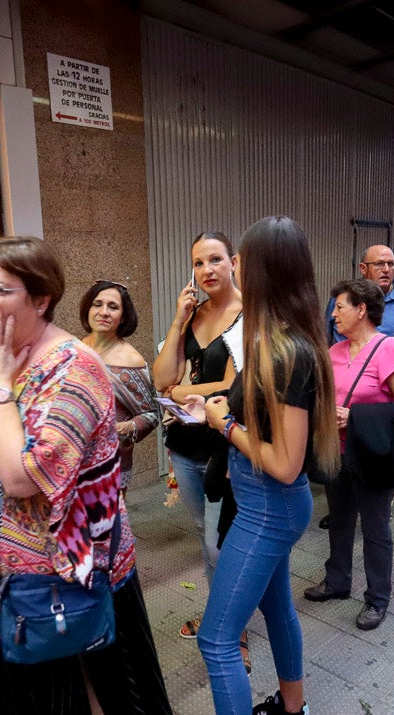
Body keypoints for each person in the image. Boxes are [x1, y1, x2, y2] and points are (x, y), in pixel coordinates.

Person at [0, 236, 171, 715]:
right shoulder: (7, 352)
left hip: (63, 558)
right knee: (26, 661)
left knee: (68, 662)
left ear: (42, 299)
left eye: (0, 289)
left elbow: (25, 476)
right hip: (6, 550)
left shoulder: (72, 368)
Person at [177, 216, 338, 715]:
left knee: (217, 641)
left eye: (238, 259)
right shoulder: (279, 337)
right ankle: (291, 712)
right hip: (266, 506)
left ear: (260, 268)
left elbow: (287, 463)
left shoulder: (285, 349)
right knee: (277, 612)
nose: (228, 268)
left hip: (270, 506)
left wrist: (226, 423)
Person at [303, 279, 394, 632]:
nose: (334, 313)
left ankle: (377, 599)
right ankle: (337, 582)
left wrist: (353, 417)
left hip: (372, 455)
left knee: (375, 528)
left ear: (361, 310)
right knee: (338, 521)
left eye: (340, 306)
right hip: (337, 453)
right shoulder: (333, 352)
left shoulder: (390, 351)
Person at [153, 232, 243, 642]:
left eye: (215, 260)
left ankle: (231, 627)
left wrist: (178, 391)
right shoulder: (193, 315)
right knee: (205, 536)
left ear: (233, 262)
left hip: (227, 444)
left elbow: (234, 382)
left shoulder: (250, 315)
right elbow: (160, 377)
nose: (207, 270)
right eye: (199, 263)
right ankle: (221, 614)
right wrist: (178, 319)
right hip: (185, 443)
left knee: (219, 540)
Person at [79, 279, 159, 487]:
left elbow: (151, 414)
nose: (104, 312)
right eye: (98, 304)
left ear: (123, 318)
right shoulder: (76, 347)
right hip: (71, 459)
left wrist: (122, 429)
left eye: (113, 307)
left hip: (110, 464)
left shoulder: (131, 360)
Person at [326, 244, 394, 341]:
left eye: (391, 264)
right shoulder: (343, 297)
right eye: (379, 264)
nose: (386, 270)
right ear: (363, 268)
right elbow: (324, 339)